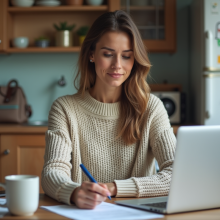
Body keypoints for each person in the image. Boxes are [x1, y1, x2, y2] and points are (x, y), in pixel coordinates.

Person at [41, 10, 176, 209]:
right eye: (108, 54)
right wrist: (74, 192)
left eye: (127, 56)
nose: (117, 66)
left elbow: (176, 173)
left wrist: (113, 188)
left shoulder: (151, 108)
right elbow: (52, 171)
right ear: (92, 54)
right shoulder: (64, 108)